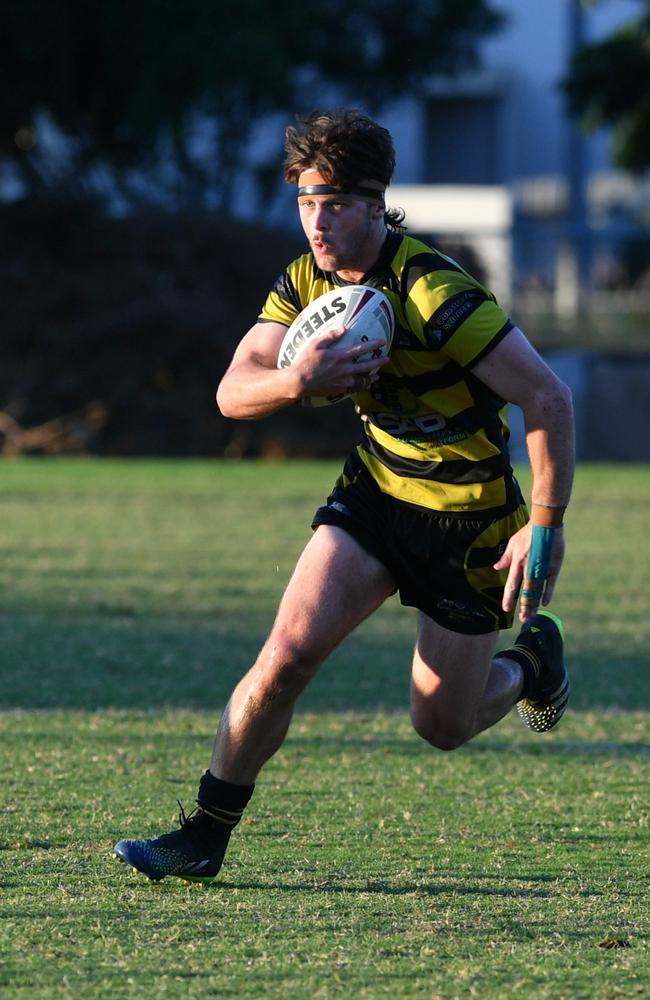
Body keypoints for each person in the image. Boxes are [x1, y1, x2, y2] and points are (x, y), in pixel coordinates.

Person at [112, 109, 575, 884]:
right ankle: (202, 836)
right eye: (303, 201)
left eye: (331, 202)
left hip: (467, 521)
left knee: (442, 724)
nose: (316, 222)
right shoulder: (303, 281)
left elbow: (549, 398)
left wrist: (545, 525)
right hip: (375, 495)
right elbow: (233, 390)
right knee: (284, 659)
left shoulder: (435, 293)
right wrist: (295, 382)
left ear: (372, 203)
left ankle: (533, 663)